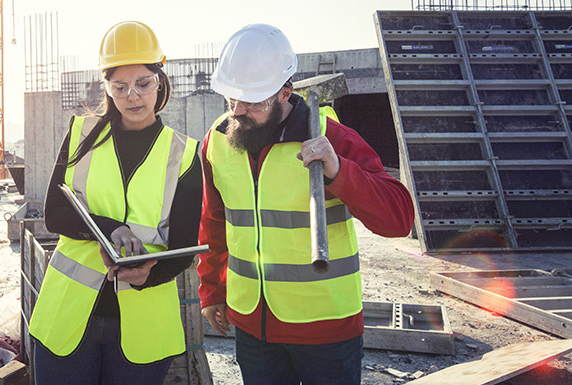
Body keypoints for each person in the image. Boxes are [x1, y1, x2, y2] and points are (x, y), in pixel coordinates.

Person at [197, 24, 415, 385]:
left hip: (326, 332)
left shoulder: (330, 137)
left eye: (252, 100)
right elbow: (214, 222)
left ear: (285, 92)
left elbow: (399, 218)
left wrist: (340, 171)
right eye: (231, 98)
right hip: (252, 326)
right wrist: (211, 291)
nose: (238, 110)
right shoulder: (218, 140)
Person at [28, 20, 203, 385]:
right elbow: (55, 213)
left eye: (143, 84)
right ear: (106, 86)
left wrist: (147, 275)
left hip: (143, 323)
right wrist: (109, 229)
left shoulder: (184, 155)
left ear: (160, 80)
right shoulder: (81, 134)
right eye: (119, 87)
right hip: (69, 318)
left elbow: (185, 248)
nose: (132, 97)